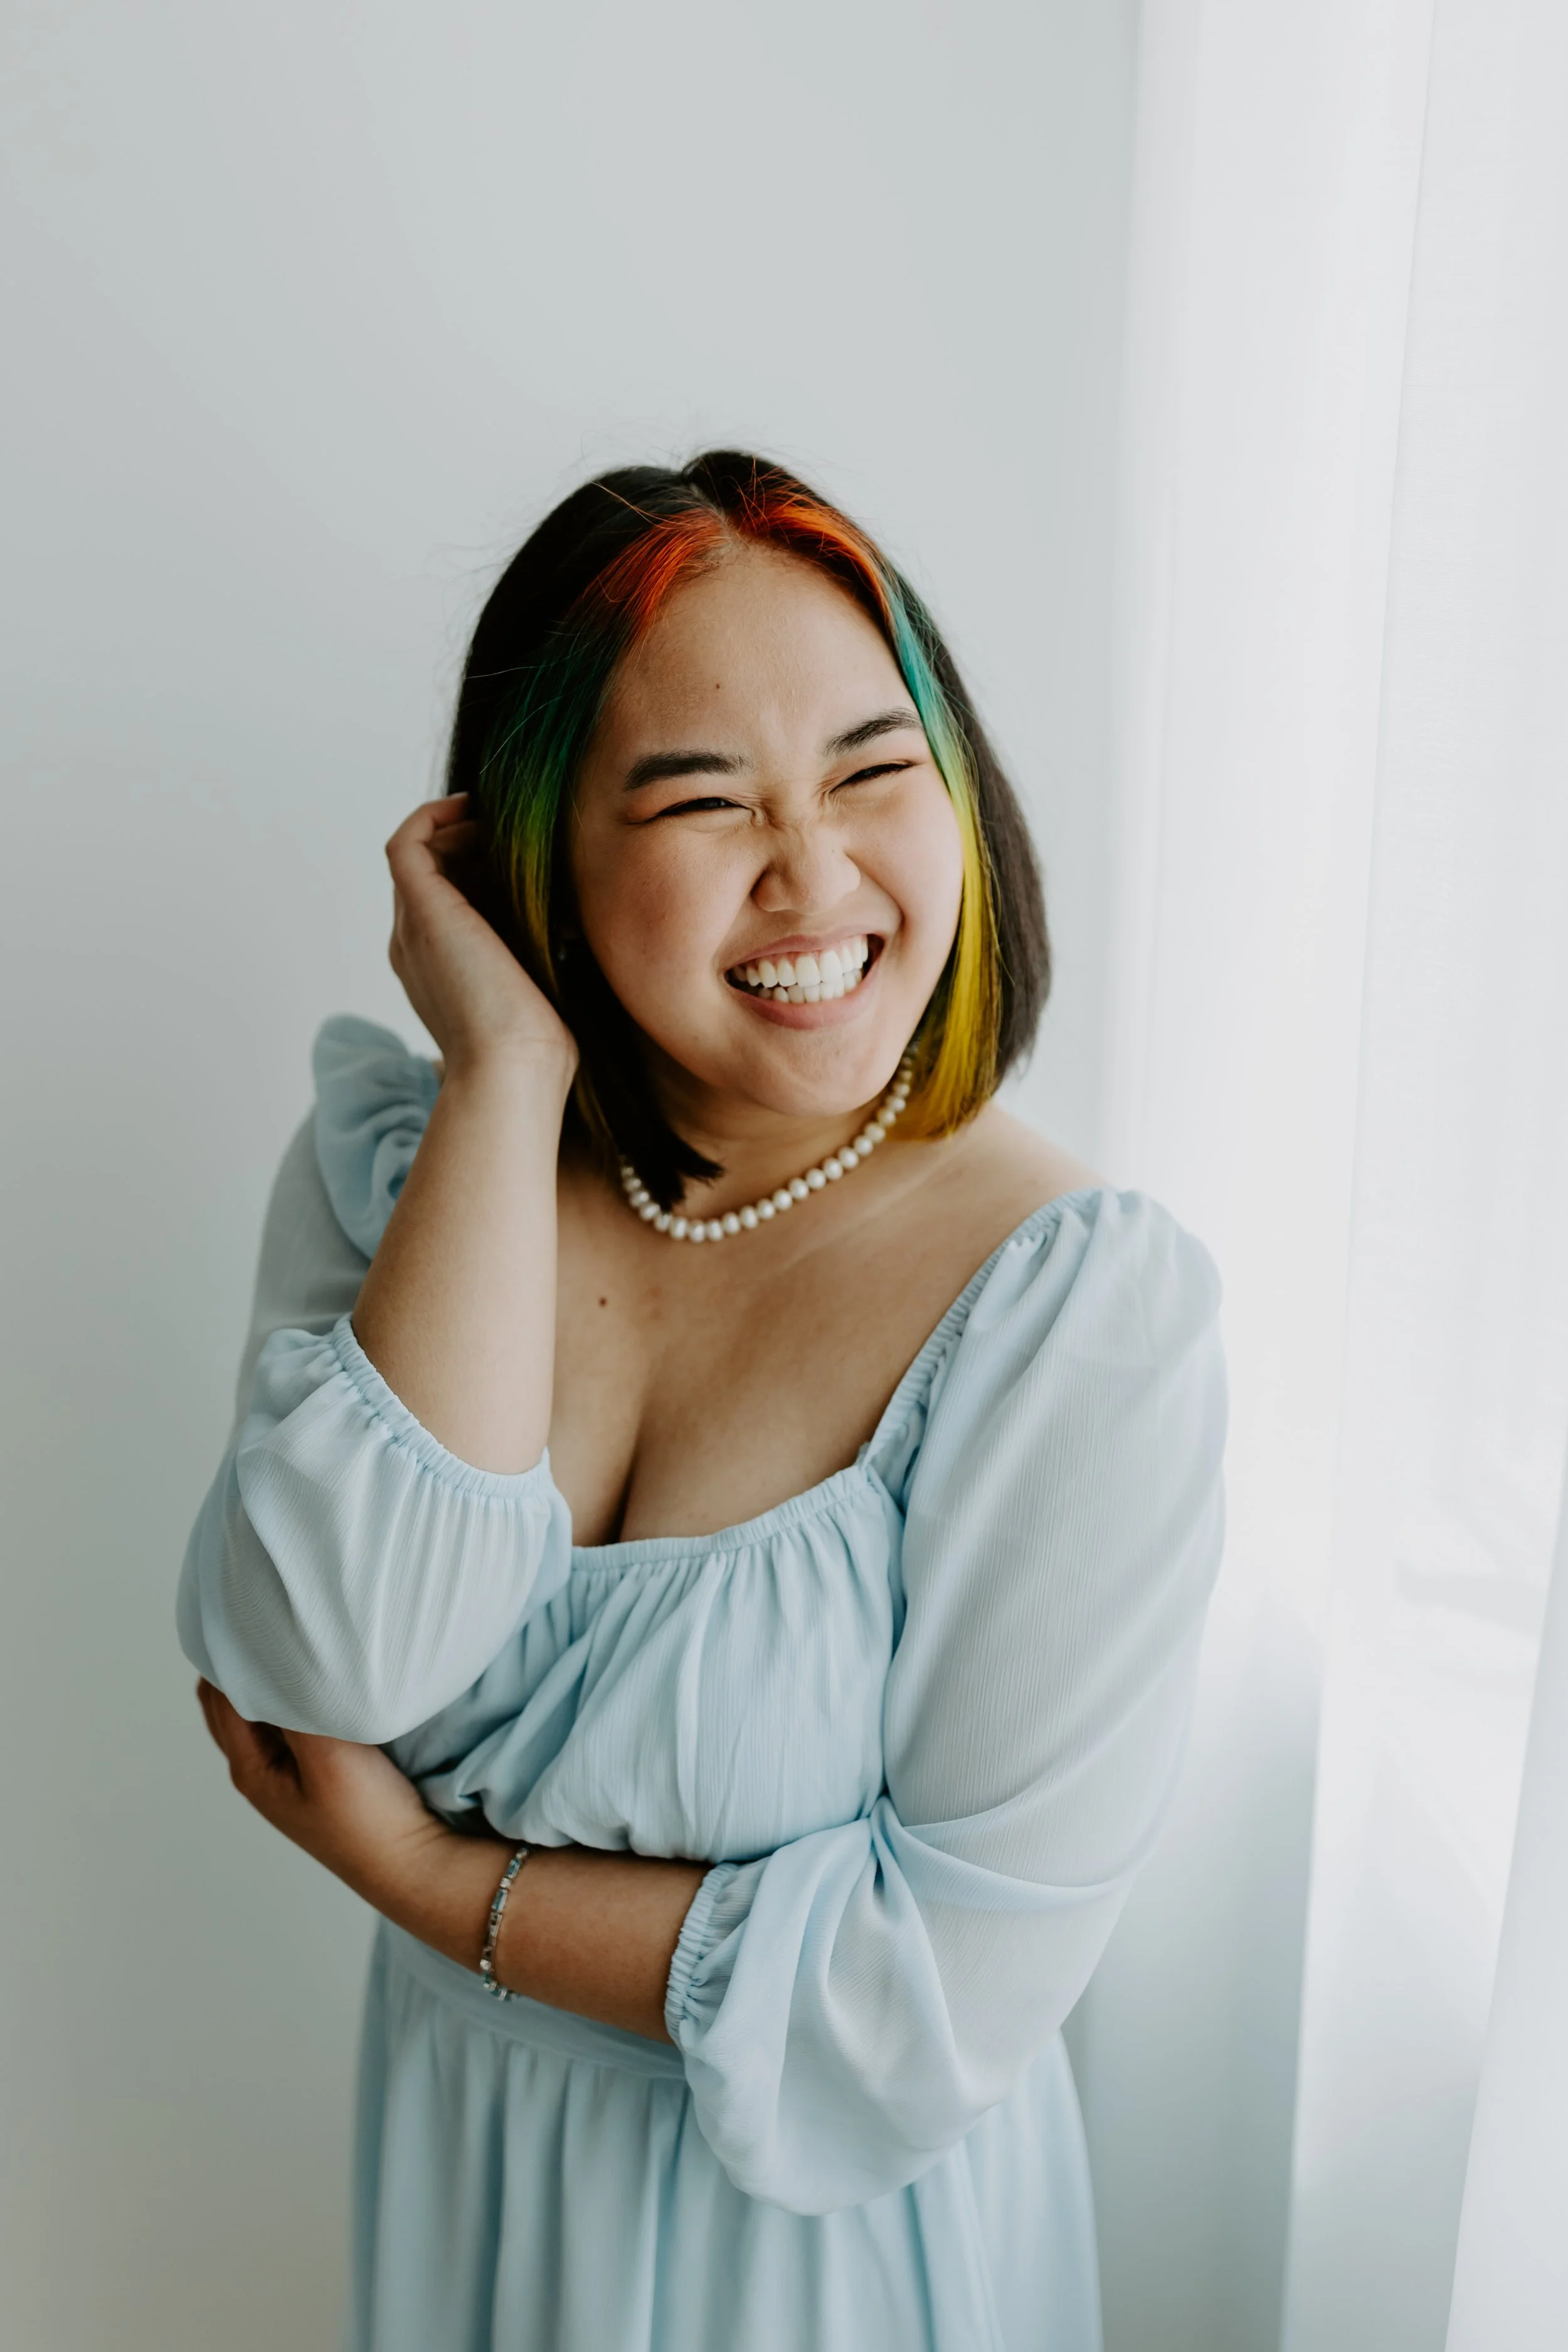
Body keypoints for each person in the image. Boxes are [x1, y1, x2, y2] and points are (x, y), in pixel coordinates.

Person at [179, 450, 1227, 2352]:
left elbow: (936, 1987)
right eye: (693, 798)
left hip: (821, 2268)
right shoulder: (398, 1165)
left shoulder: (1080, 1309)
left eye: (870, 769)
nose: (814, 873)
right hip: (464, 2187)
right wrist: (498, 1072)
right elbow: (321, 1659)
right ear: (537, 862)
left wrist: (429, 1877)